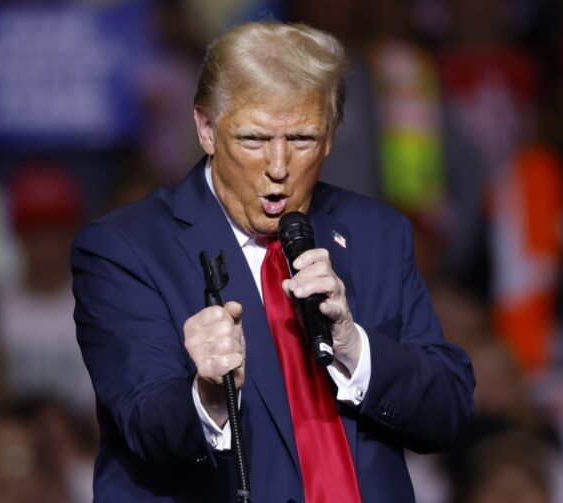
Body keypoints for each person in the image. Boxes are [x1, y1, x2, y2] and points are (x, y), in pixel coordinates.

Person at [71, 21, 475, 502]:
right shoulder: (125, 248)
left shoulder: (377, 234)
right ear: (205, 129)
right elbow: (146, 425)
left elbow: (448, 410)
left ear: (330, 137)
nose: (279, 167)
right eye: (254, 140)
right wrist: (209, 397)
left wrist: (355, 350)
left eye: (302, 139)